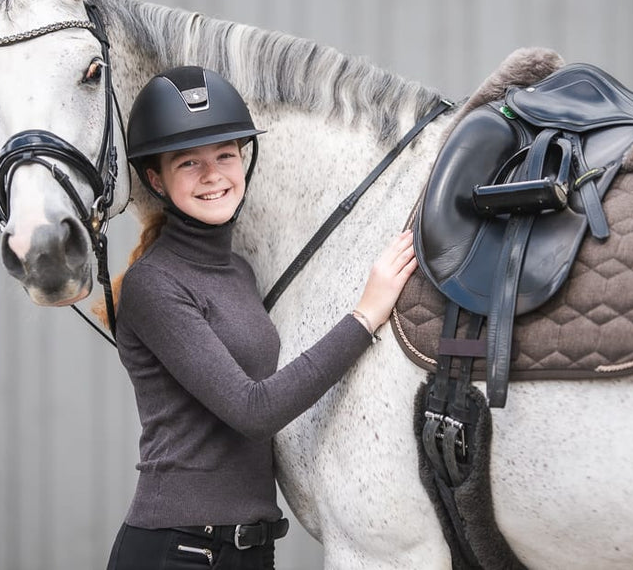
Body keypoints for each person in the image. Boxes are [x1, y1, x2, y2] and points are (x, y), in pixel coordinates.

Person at [105, 66, 416, 570]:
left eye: (225, 155)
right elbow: (254, 411)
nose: (213, 175)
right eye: (189, 163)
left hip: (249, 551)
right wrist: (366, 314)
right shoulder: (154, 284)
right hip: (179, 551)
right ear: (155, 179)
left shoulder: (239, 272)